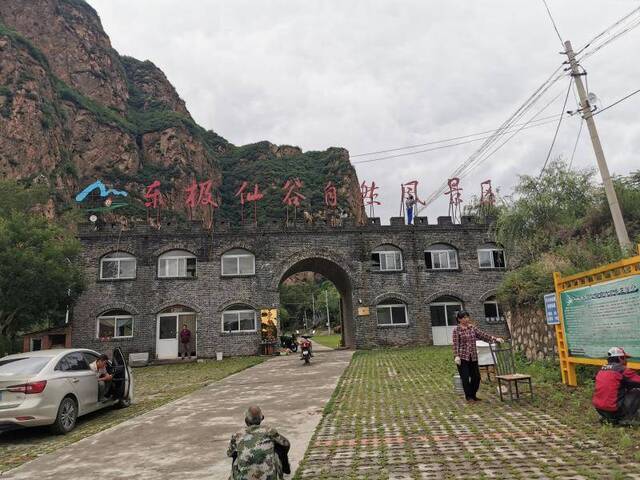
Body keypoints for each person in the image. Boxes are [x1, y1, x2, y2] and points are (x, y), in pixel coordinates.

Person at [452, 310, 504, 402]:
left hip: (473, 356)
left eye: (467, 317)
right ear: (459, 319)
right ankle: (469, 397)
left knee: (476, 377)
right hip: (462, 357)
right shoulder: (457, 330)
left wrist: (495, 339)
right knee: (465, 378)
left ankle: (473, 394)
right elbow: (455, 344)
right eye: (464, 318)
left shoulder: (472, 328)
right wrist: (456, 356)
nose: (466, 319)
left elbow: (483, 336)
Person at [227, 406, 290, 480]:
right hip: (268, 477)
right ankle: (284, 472)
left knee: (236, 457)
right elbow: (286, 444)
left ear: (246, 420)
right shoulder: (269, 431)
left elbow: (229, 453)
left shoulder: (237, 435)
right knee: (278, 450)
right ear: (261, 418)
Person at [592, 347, 640, 424]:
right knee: (637, 391)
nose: (626, 361)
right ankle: (626, 419)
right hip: (614, 410)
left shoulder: (601, 369)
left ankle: (608, 418)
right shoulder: (622, 369)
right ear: (620, 358)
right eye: (625, 358)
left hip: (599, 410)